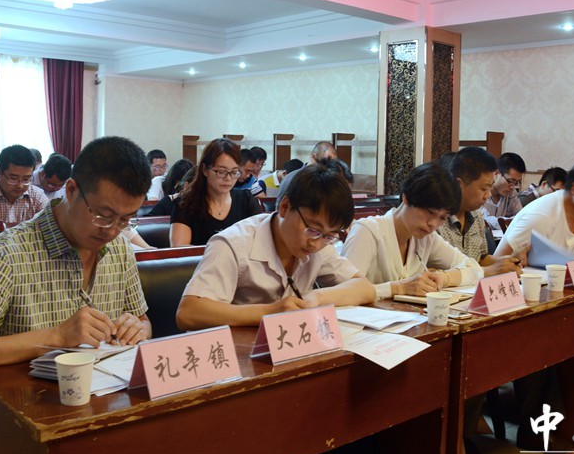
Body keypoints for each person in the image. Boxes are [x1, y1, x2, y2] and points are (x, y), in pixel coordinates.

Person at [0, 136, 153, 383]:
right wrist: (57, 337)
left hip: (104, 396)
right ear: (71, 190)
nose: (112, 231)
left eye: (125, 220)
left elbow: (142, 321)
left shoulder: (120, 248)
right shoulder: (8, 253)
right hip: (24, 400)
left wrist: (138, 329)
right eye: (103, 216)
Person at [176, 161, 375, 330]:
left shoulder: (320, 242)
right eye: (312, 229)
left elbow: (364, 288)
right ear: (285, 207)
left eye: (329, 236)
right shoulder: (234, 243)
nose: (316, 244)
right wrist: (270, 312)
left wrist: (316, 297)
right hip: (239, 354)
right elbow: (188, 312)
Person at [341, 163, 482, 299]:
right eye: (429, 212)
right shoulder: (368, 231)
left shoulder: (427, 239)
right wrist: (398, 288)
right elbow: (343, 291)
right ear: (406, 198)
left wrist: (442, 277)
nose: (433, 224)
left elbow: (475, 270)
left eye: (442, 218)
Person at [436, 148, 523, 276]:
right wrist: (489, 271)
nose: (488, 195)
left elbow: (481, 258)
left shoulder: (476, 216)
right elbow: (433, 273)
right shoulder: (435, 220)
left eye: (490, 187)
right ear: (459, 184)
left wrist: (504, 261)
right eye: (483, 189)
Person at [169, 139, 262, 247]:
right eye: (221, 172)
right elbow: (180, 249)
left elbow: (260, 242)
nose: (228, 178)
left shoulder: (246, 201)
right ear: (205, 169)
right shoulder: (185, 204)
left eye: (234, 172)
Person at [0, 144, 49, 225]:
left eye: (26, 179)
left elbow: (48, 227)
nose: (20, 186)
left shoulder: (37, 196)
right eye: (13, 179)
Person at [482, 152, 526, 230]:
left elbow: (520, 216)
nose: (513, 187)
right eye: (510, 181)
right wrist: (510, 221)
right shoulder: (481, 191)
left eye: (516, 183)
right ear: (496, 173)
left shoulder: (511, 193)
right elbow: (484, 220)